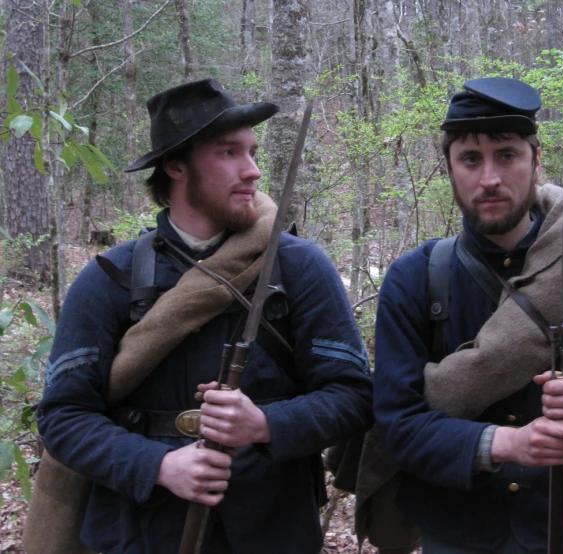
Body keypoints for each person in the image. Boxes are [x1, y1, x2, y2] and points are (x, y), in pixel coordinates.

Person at [33, 78, 373, 554]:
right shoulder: (109, 278)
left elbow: (354, 395)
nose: (253, 171)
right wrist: (156, 466)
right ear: (175, 165)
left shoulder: (298, 267)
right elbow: (64, 417)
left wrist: (265, 424)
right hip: (138, 533)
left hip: (273, 528)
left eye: (252, 152)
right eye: (228, 153)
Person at [372, 77, 563, 554]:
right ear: (450, 169)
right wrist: (503, 444)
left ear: (536, 161)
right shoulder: (414, 278)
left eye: (507, 154)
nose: (490, 178)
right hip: (460, 535)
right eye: (471, 159)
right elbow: (398, 424)